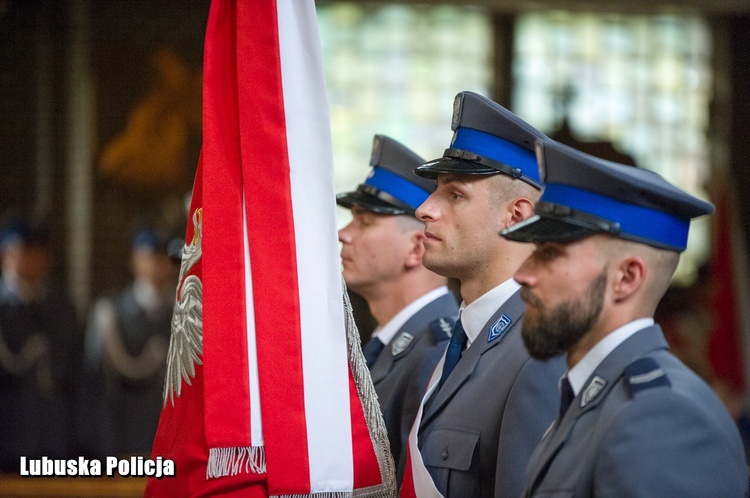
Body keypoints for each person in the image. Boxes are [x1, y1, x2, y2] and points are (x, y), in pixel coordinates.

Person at [501, 139, 749, 497]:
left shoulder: (660, 419)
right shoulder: (592, 395)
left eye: (550, 254)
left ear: (627, 278)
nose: (522, 274)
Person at [401, 92, 566, 498]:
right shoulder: (466, 337)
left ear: (516, 217)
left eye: (454, 195)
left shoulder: (537, 354)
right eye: (435, 190)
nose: (424, 209)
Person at [337, 134, 458, 483]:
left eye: (365, 221)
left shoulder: (434, 352)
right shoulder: (389, 344)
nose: (344, 233)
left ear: (416, 249)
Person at [82, 225, 179, 458]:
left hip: (172, 438)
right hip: (124, 437)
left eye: (165, 256)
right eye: (151, 255)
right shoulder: (111, 313)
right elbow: (95, 384)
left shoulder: (183, 313)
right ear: (134, 260)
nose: (159, 263)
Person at [0, 212, 84, 471]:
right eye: (26, 251)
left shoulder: (61, 307)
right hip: (7, 437)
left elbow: (75, 374)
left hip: (55, 442)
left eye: (40, 252)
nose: (36, 260)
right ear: (6, 256)